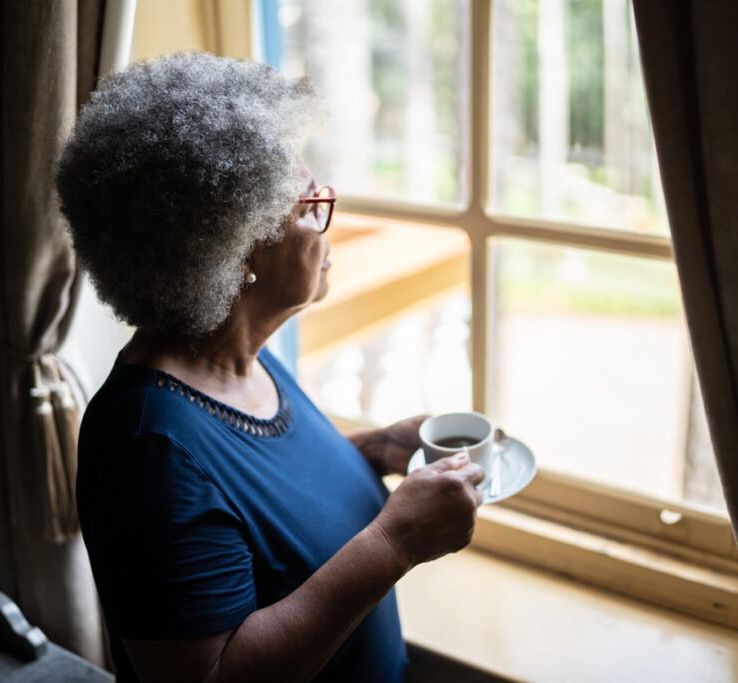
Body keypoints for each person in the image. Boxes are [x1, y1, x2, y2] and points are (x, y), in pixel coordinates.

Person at [56, 52, 484, 683]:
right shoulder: (148, 448)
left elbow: (257, 509)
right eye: (310, 204)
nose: (326, 218)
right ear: (235, 250)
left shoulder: (240, 358)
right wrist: (396, 543)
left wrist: (372, 449)